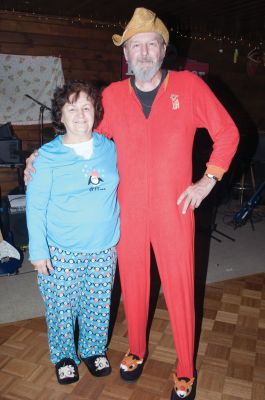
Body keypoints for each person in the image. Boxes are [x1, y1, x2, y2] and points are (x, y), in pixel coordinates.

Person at [24, 8, 239, 399]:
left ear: (163, 50)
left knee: (179, 288)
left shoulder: (189, 87)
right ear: (126, 56)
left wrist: (207, 181)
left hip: (175, 209)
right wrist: (39, 157)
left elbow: (228, 132)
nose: (143, 53)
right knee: (134, 287)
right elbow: (81, 139)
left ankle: (186, 368)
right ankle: (136, 350)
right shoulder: (111, 96)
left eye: (150, 44)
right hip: (126, 212)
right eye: (135, 46)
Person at [26, 81, 120, 385]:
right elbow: (35, 207)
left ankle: (93, 350)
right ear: (60, 116)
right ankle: (64, 356)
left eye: (86, 107)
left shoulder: (110, 148)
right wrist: (38, 251)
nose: (80, 114)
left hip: (104, 247)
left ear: (96, 112)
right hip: (61, 250)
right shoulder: (46, 157)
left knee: (97, 303)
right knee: (60, 306)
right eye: (72, 108)